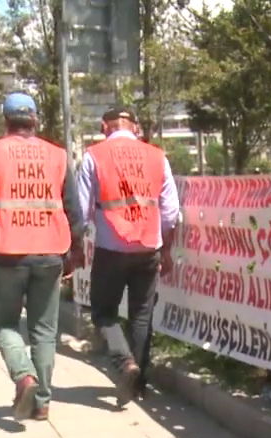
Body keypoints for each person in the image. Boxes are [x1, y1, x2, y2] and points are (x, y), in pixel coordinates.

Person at [0, 92, 87, 421]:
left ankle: (24, 376)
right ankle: (42, 402)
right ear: (34, 120)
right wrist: (75, 250)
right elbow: (74, 210)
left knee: (5, 323)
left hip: (5, 253)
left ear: (6, 121)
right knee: (45, 331)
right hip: (50, 252)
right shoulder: (57, 155)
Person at [76, 107, 181, 405]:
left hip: (111, 249)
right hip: (149, 248)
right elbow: (171, 211)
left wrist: (76, 247)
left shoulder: (94, 156)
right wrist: (166, 250)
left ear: (104, 126)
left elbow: (81, 210)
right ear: (135, 127)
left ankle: (125, 364)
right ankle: (139, 386)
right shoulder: (157, 156)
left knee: (103, 312)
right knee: (142, 316)